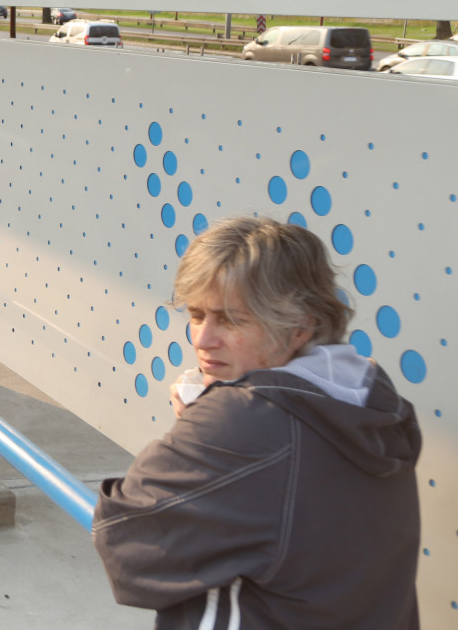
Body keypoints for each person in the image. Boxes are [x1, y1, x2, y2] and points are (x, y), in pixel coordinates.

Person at [93, 217, 420, 629]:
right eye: (196, 314)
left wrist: (202, 418)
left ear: (298, 326)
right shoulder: (370, 399)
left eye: (230, 320)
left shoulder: (242, 419)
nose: (201, 339)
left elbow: (125, 543)